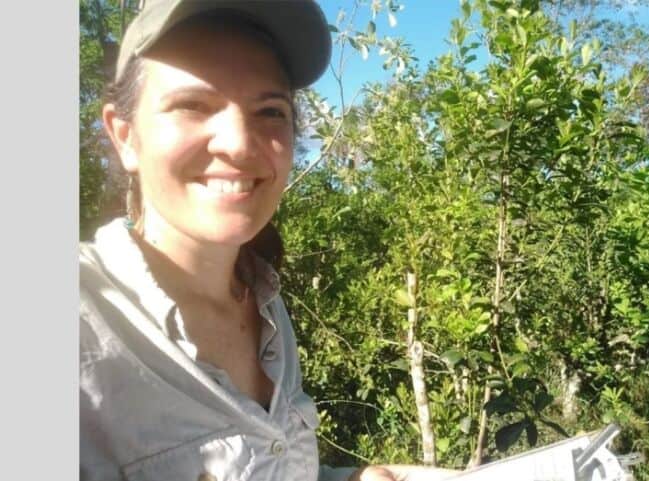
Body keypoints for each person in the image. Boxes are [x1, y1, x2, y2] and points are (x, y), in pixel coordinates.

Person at [79, 1, 458, 480]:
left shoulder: (264, 305)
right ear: (125, 135)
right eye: (193, 105)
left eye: (269, 111)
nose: (239, 143)